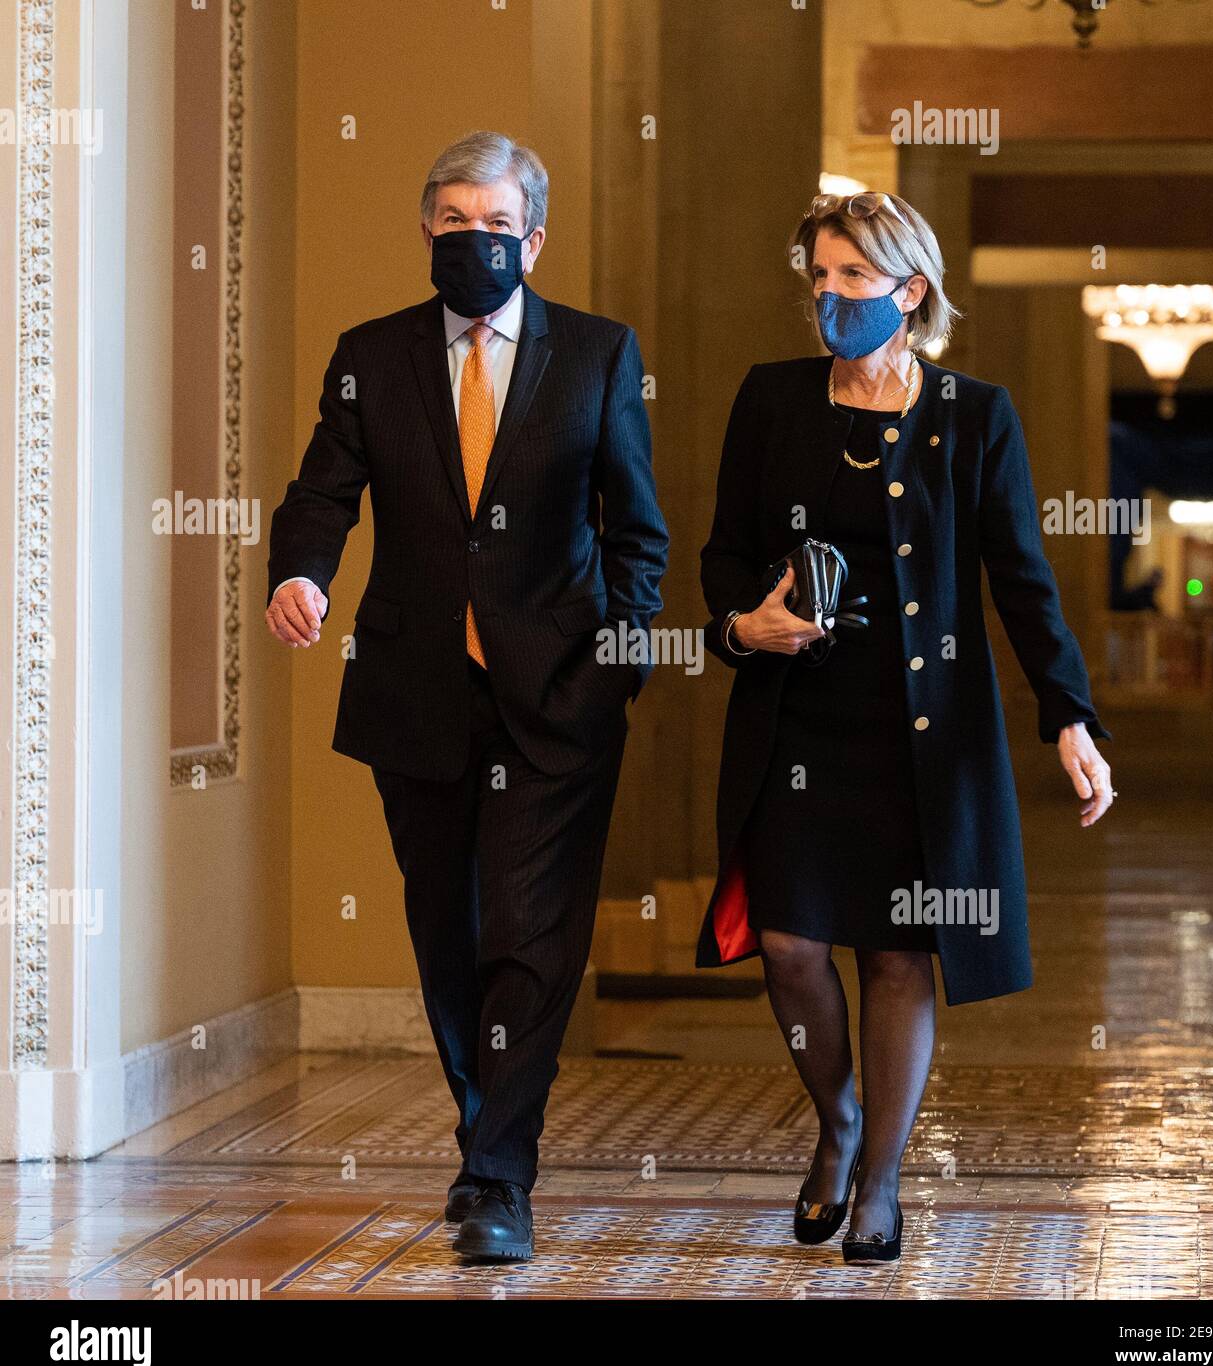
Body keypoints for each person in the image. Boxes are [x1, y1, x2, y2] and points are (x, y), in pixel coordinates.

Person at [265, 131, 668, 1263]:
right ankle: (483, 1136)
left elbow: (637, 533)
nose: (474, 241)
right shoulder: (372, 354)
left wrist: (617, 658)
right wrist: (299, 572)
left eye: (496, 226)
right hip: (416, 693)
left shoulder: (595, 354)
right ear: (426, 228)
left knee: (531, 936)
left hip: (559, 697)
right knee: (451, 932)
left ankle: (498, 1175)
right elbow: (320, 492)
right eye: (453, 221)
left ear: (533, 239)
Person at [696, 189, 1114, 1263]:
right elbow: (722, 554)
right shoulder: (772, 400)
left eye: (849, 278)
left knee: (894, 955)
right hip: (796, 719)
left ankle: (877, 1176)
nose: (826, 296)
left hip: (922, 730)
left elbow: (1021, 581)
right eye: (819, 276)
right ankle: (835, 1116)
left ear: (909, 291)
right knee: (788, 945)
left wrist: (1068, 717)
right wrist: (746, 624)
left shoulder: (976, 415)